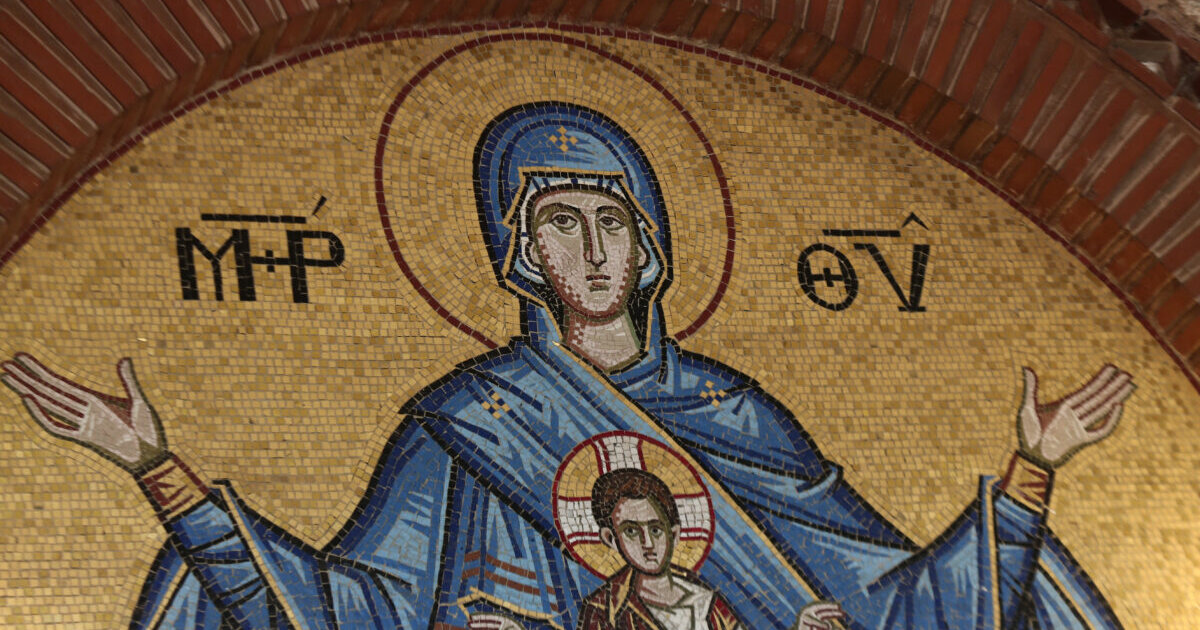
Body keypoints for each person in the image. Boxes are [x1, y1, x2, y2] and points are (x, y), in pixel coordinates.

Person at [1, 102, 1134, 630]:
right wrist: (155, 468)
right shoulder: (466, 423)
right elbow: (351, 613)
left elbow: (891, 606)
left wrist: (1033, 470)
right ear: (519, 253)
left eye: (612, 221)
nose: (591, 251)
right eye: (558, 223)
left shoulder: (735, 412)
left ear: (651, 246)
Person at [577, 468, 845, 630]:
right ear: (611, 539)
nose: (647, 543)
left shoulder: (707, 600)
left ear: (674, 534)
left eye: (656, 529)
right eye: (631, 531)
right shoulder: (604, 611)